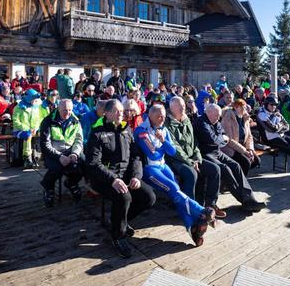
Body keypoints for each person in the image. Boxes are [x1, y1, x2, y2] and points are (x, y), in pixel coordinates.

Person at [135, 105, 214, 246]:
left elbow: (171, 151)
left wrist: (163, 141)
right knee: (173, 188)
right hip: (149, 169)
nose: (162, 119)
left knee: (176, 193)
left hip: (163, 165)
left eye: (164, 116)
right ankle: (201, 211)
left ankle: (192, 228)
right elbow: (152, 154)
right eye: (159, 116)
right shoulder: (142, 130)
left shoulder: (163, 129)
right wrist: (163, 146)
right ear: (151, 116)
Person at [86, 99, 155, 258]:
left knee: (149, 197)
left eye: (121, 111)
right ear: (107, 113)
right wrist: (113, 180)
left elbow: (136, 157)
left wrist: (137, 176)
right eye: (116, 111)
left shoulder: (127, 130)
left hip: (126, 176)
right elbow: (93, 164)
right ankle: (118, 235)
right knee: (124, 197)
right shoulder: (97, 133)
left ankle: (119, 220)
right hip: (104, 178)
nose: (120, 114)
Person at [195, 104, 267, 213]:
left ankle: (250, 197)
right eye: (216, 116)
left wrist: (220, 138)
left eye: (219, 116)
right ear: (208, 113)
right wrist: (220, 138)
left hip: (217, 152)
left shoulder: (216, 122)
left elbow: (223, 136)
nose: (218, 118)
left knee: (236, 165)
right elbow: (212, 139)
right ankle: (245, 201)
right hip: (206, 153)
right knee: (225, 169)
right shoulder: (201, 122)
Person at [165, 97, 224, 217]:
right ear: (171, 109)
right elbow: (175, 148)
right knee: (191, 173)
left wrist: (197, 158)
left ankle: (210, 205)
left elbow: (194, 142)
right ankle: (189, 209)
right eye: (179, 106)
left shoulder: (186, 120)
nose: (183, 108)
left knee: (215, 170)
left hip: (193, 157)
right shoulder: (167, 124)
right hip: (175, 160)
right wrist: (190, 162)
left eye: (183, 105)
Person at [39, 99, 84, 206]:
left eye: (69, 110)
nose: (67, 113)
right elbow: (45, 144)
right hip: (53, 152)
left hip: (70, 151)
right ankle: (48, 188)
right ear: (58, 108)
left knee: (84, 164)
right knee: (57, 168)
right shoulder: (48, 121)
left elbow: (79, 140)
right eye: (64, 110)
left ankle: (71, 183)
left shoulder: (75, 120)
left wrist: (75, 153)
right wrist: (59, 156)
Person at [221, 99, 259, 176]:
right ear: (235, 107)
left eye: (244, 108)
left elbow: (249, 136)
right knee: (246, 163)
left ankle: (238, 175)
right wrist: (245, 151)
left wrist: (250, 150)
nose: (244, 110)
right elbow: (229, 140)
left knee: (256, 161)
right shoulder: (228, 117)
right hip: (231, 148)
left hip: (243, 146)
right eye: (241, 108)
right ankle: (240, 182)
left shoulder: (245, 118)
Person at [12, 89, 49, 168]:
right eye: (34, 99)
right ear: (28, 98)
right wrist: (28, 129)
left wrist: (36, 128)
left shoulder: (36, 107)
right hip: (19, 130)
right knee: (28, 135)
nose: (35, 101)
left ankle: (41, 157)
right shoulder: (18, 107)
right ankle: (27, 158)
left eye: (36, 100)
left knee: (44, 135)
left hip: (33, 130)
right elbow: (16, 122)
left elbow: (39, 119)